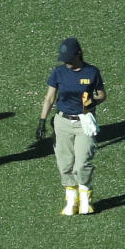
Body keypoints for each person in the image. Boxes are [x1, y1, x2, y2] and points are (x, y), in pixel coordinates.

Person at [37, 37, 106, 215]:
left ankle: (85, 198)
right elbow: (50, 98)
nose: (66, 62)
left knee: (82, 162)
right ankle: (71, 199)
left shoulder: (91, 72)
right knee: (64, 163)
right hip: (63, 122)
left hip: (84, 121)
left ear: (78, 54)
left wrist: (93, 102)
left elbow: (102, 94)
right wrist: (42, 121)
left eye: (69, 58)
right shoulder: (58, 73)